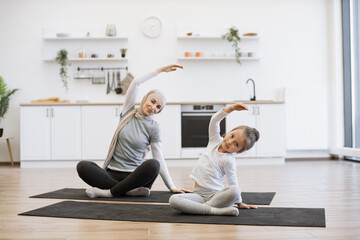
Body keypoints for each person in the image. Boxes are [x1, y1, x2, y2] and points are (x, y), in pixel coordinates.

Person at [77, 64, 191, 198]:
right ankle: (127, 191)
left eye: (158, 107)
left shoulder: (154, 127)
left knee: (154, 164)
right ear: (145, 99)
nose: (153, 107)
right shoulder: (128, 111)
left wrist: (172, 186)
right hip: (112, 173)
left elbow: (158, 156)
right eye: (152, 101)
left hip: (135, 176)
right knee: (83, 166)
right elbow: (136, 82)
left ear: (160, 111)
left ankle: (109, 192)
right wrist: (159, 70)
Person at [169, 103, 259, 216]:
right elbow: (214, 120)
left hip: (216, 196)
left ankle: (201, 209)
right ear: (229, 132)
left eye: (236, 144)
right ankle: (213, 210)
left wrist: (239, 202)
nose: (230, 142)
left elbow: (232, 181)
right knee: (174, 200)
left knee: (235, 191)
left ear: (239, 151)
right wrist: (231, 108)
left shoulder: (229, 160)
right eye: (232, 136)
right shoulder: (214, 140)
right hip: (198, 195)